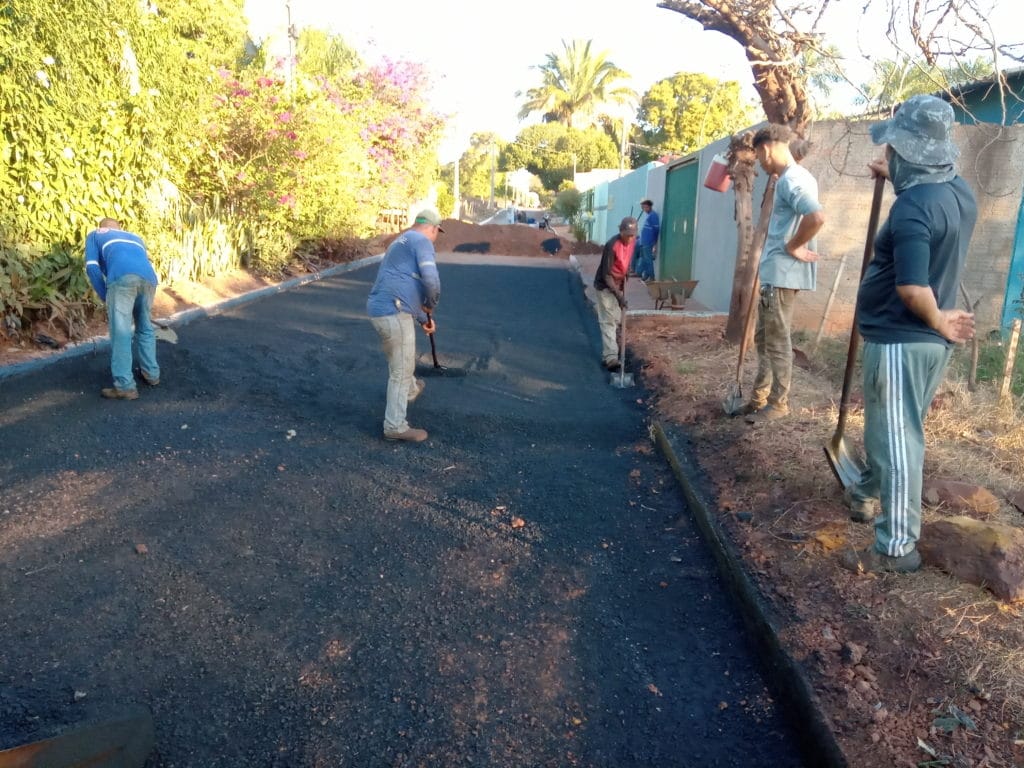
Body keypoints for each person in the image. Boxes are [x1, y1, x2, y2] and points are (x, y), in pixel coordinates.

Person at [840, 95, 977, 574]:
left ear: (905, 152)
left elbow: (913, 288)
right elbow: (928, 189)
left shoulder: (913, 207)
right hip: (924, 346)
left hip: (903, 338)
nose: (888, 154)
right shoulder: (958, 192)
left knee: (897, 441)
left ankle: (896, 548)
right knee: (895, 430)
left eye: (893, 150)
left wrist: (938, 319)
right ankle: (866, 492)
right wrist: (894, 173)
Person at [743, 124, 826, 424]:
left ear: (766, 149)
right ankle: (758, 399)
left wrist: (793, 246)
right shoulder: (791, 178)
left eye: (758, 157)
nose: (760, 165)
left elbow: (816, 217)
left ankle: (778, 404)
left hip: (782, 275)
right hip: (776, 275)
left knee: (776, 341)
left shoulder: (792, 180)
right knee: (764, 339)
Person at [366, 209, 443, 442]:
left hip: (380, 309)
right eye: (437, 232)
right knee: (400, 370)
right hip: (394, 311)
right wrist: (431, 304)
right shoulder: (422, 241)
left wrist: (423, 319)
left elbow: (403, 286)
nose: (435, 237)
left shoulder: (401, 241)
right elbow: (431, 280)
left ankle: (411, 390)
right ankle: (395, 426)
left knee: (401, 358)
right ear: (432, 229)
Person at [84, 217, 160, 401]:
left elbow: (92, 268)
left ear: (102, 227)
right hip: (149, 279)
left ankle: (125, 386)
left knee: (121, 332)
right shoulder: (135, 237)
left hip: (122, 279)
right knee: (145, 327)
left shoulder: (95, 235)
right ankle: (152, 374)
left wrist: (105, 295)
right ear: (119, 228)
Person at [593, 217, 637, 372]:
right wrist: (619, 296)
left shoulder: (633, 242)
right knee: (608, 321)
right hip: (605, 286)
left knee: (617, 319)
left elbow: (627, 260)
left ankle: (607, 354)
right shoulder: (612, 245)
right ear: (621, 231)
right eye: (627, 235)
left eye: (632, 235)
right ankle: (611, 357)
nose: (630, 238)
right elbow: (606, 275)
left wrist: (627, 273)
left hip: (618, 284)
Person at [634, 199, 661, 281]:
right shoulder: (649, 216)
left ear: (650, 206)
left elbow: (656, 229)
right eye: (643, 207)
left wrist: (654, 242)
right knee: (644, 259)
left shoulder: (653, 215)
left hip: (648, 242)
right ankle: (644, 276)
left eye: (645, 207)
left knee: (648, 260)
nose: (644, 209)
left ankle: (652, 277)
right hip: (643, 241)